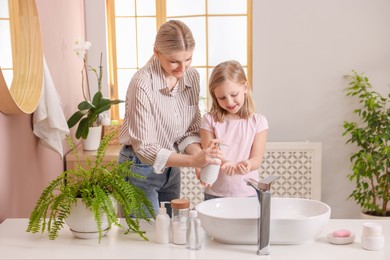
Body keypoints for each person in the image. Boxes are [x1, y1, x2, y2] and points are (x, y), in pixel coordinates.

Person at [118, 20, 222, 217]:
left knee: (173, 227)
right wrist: (193, 160)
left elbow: (189, 131)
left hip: (171, 168)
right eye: (174, 61)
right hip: (139, 167)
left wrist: (201, 157)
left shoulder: (191, 77)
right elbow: (146, 149)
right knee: (143, 236)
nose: (183, 69)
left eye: (188, 59)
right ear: (157, 53)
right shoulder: (141, 84)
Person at [200, 60, 268, 200]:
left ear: (245, 87)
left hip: (248, 193)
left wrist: (248, 165)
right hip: (215, 193)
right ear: (214, 96)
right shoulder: (209, 120)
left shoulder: (258, 122)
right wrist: (225, 163)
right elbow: (209, 154)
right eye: (222, 98)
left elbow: (257, 158)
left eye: (234, 95)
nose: (229, 102)